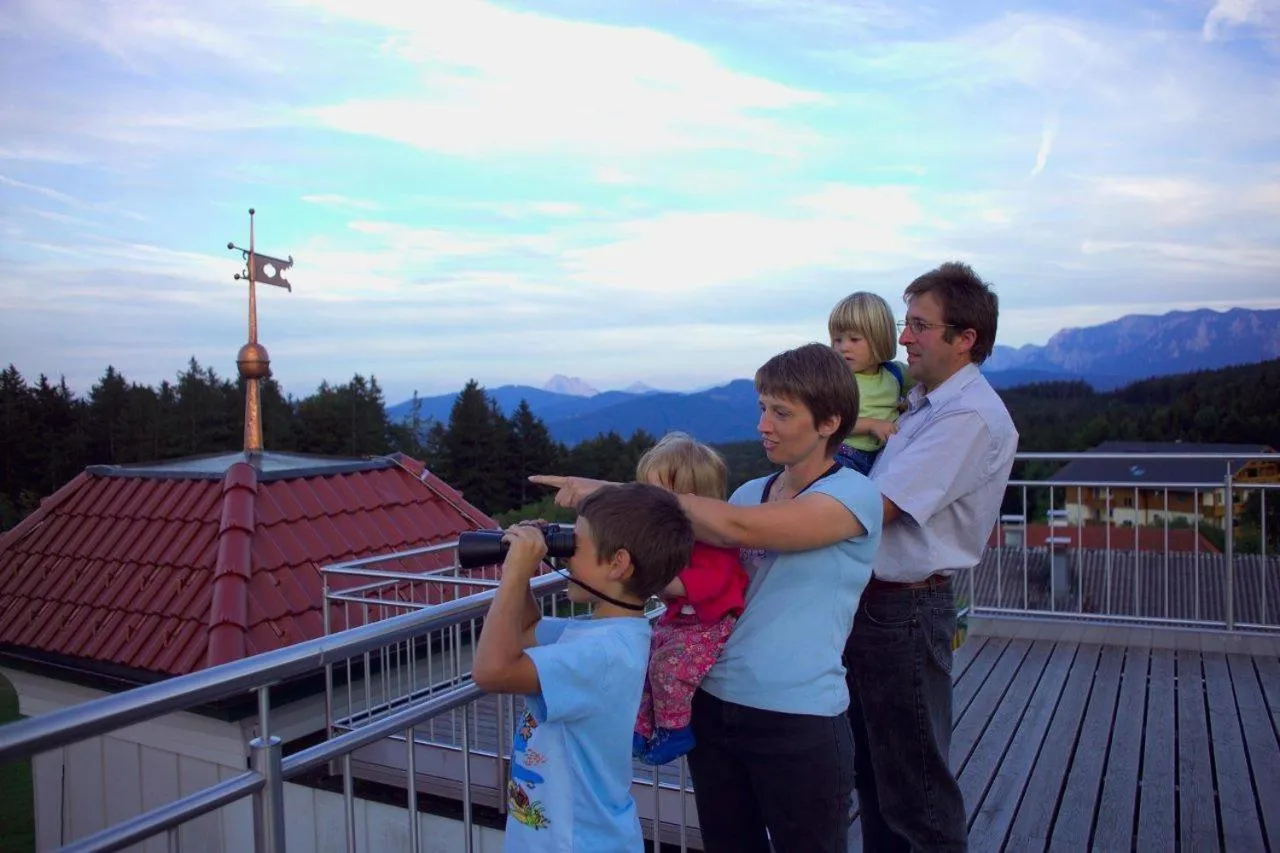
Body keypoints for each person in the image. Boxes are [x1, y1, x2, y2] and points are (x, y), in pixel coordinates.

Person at [532, 342, 883, 853]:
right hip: (714, 705)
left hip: (798, 718)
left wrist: (606, 490)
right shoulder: (749, 492)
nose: (764, 424)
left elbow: (739, 528)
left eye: (781, 412)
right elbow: (686, 551)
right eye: (763, 407)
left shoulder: (853, 495)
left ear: (829, 422)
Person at [845, 262, 1018, 852]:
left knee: (916, 795)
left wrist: (751, 518)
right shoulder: (924, 403)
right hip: (880, 609)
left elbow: (875, 508)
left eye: (918, 324)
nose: (903, 338)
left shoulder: (966, 416)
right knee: (876, 780)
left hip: (905, 613)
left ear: (964, 338)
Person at [472, 483, 694, 853]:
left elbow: (492, 671)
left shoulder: (603, 652)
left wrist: (513, 573)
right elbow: (526, 632)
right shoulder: (604, 635)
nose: (565, 556)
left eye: (576, 545)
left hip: (579, 841)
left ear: (617, 563)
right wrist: (524, 571)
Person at [631, 432, 750, 766]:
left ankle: (675, 729)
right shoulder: (678, 539)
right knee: (646, 658)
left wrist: (652, 579)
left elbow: (700, 583)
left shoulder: (715, 542)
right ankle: (642, 726)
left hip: (709, 625)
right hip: (682, 621)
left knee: (669, 667)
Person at [829, 290, 914, 475]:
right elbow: (828, 422)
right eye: (837, 340)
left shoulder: (896, 372)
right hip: (842, 454)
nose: (843, 347)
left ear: (879, 338)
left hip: (881, 458)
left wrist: (909, 401)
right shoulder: (836, 378)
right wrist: (871, 425)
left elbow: (925, 388)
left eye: (854, 339)